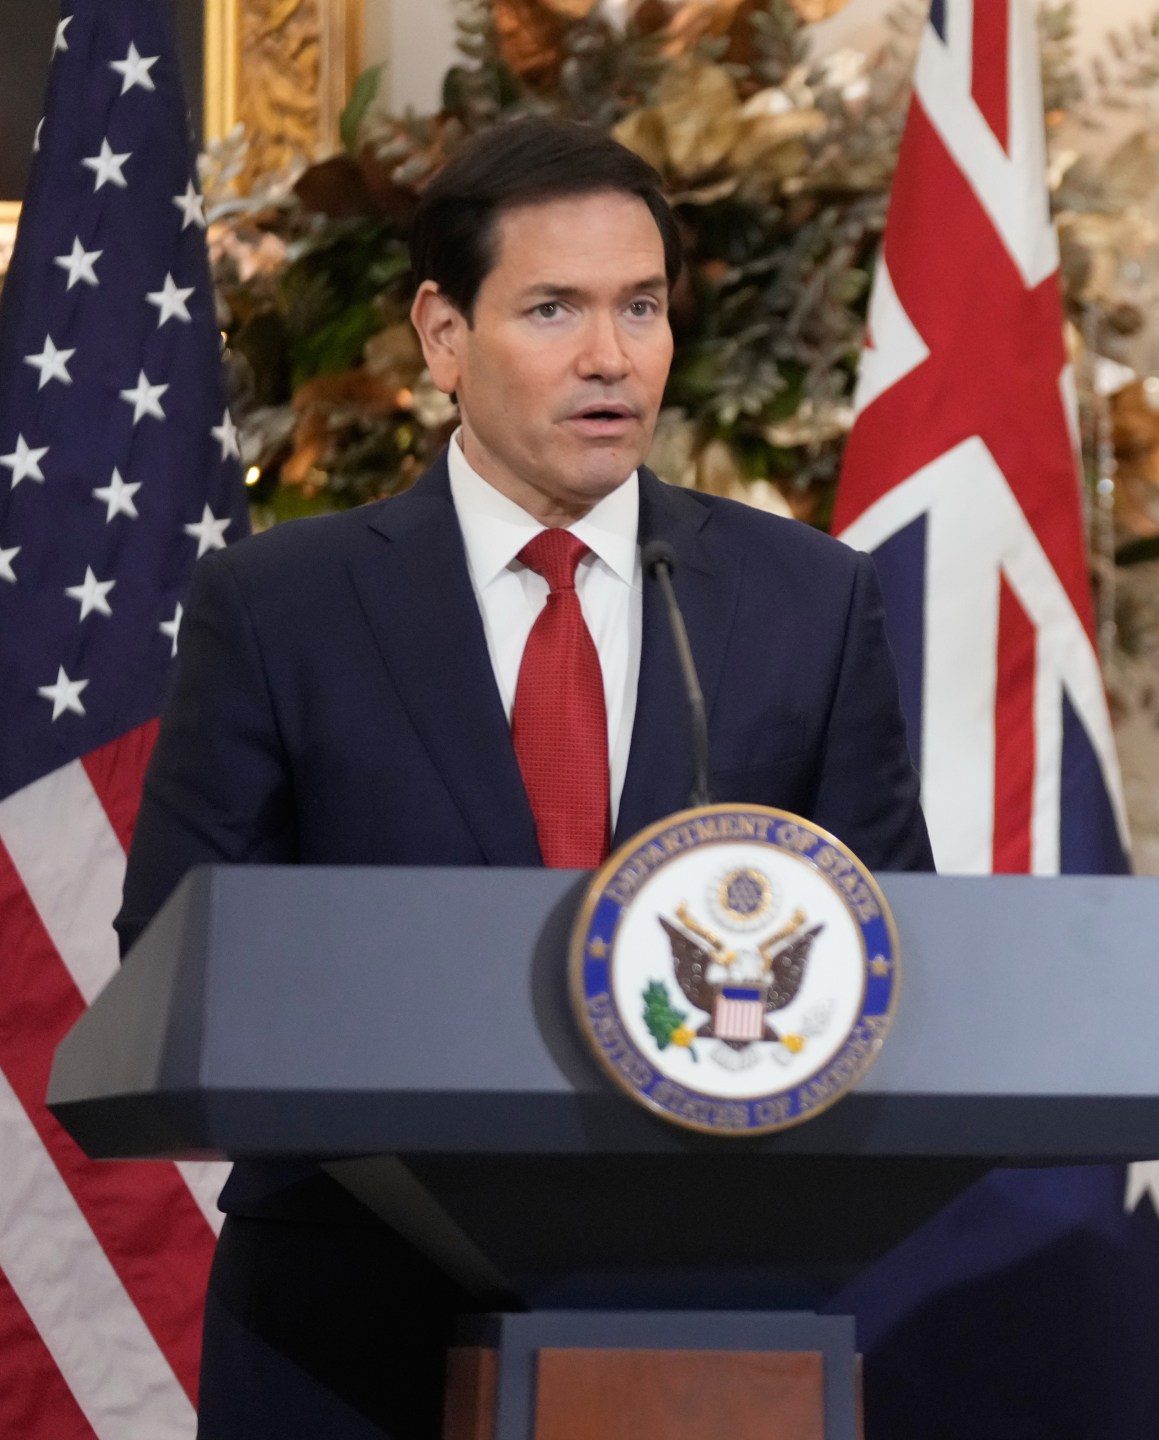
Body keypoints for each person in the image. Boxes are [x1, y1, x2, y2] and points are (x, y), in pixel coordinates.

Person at [115, 116, 932, 1439]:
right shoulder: (283, 605)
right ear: (443, 336)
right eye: (552, 308)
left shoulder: (807, 601)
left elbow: (895, 935)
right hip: (346, 1301)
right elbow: (175, 947)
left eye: (641, 307)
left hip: (706, 1303)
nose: (610, 357)